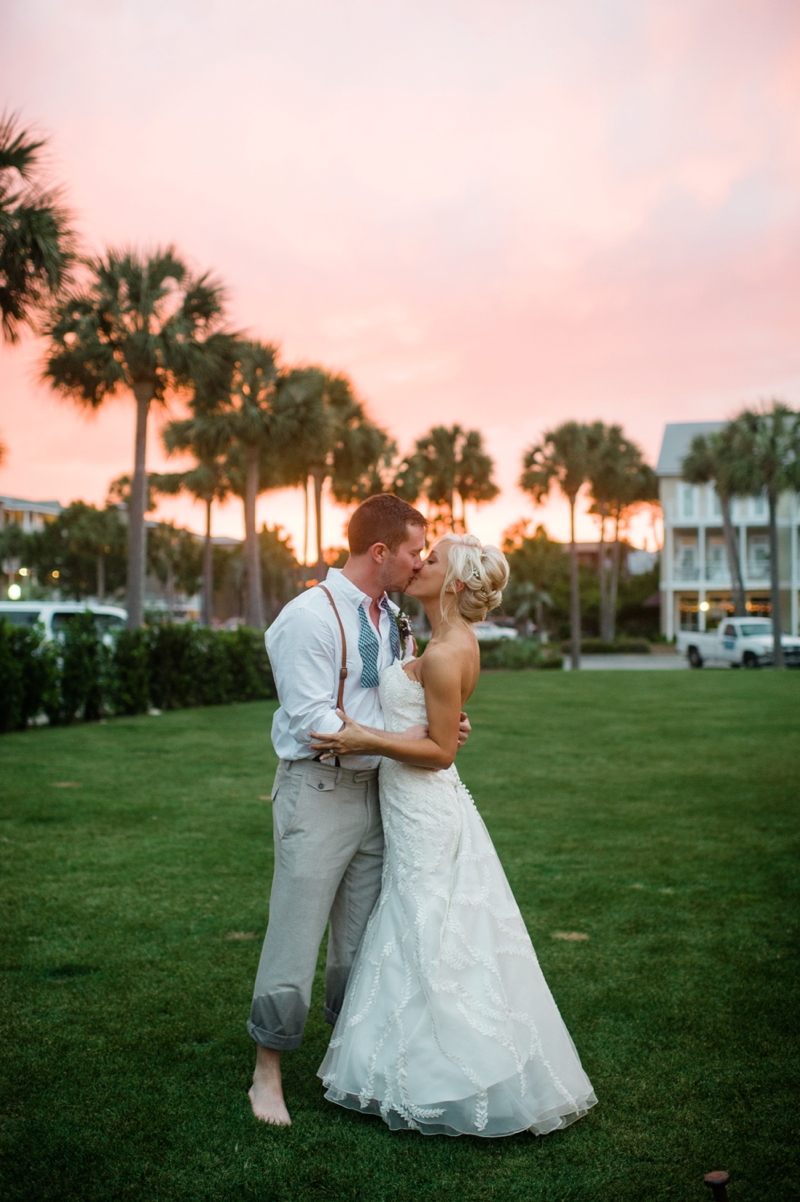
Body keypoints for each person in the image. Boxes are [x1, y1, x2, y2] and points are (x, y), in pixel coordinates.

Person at [310, 533, 597, 1137]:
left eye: (432, 560)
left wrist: (367, 740)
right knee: (424, 926)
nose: (420, 563)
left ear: (456, 584)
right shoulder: (442, 640)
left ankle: (447, 1073)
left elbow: (439, 752)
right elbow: (436, 726)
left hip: (423, 803)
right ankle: (413, 1063)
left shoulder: (445, 652)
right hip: (419, 805)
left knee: (425, 927)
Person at [247, 494, 470, 1126]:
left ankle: (351, 1058)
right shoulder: (308, 617)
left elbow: (391, 697)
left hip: (383, 792)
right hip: (318, 792)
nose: (418, 562)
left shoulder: (391, 616)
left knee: (364, 941)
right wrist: (401, 740)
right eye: (411, 552)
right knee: (296, 932)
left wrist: (435, 727)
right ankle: (267, 1072)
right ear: (379, 552)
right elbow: (315, 719)